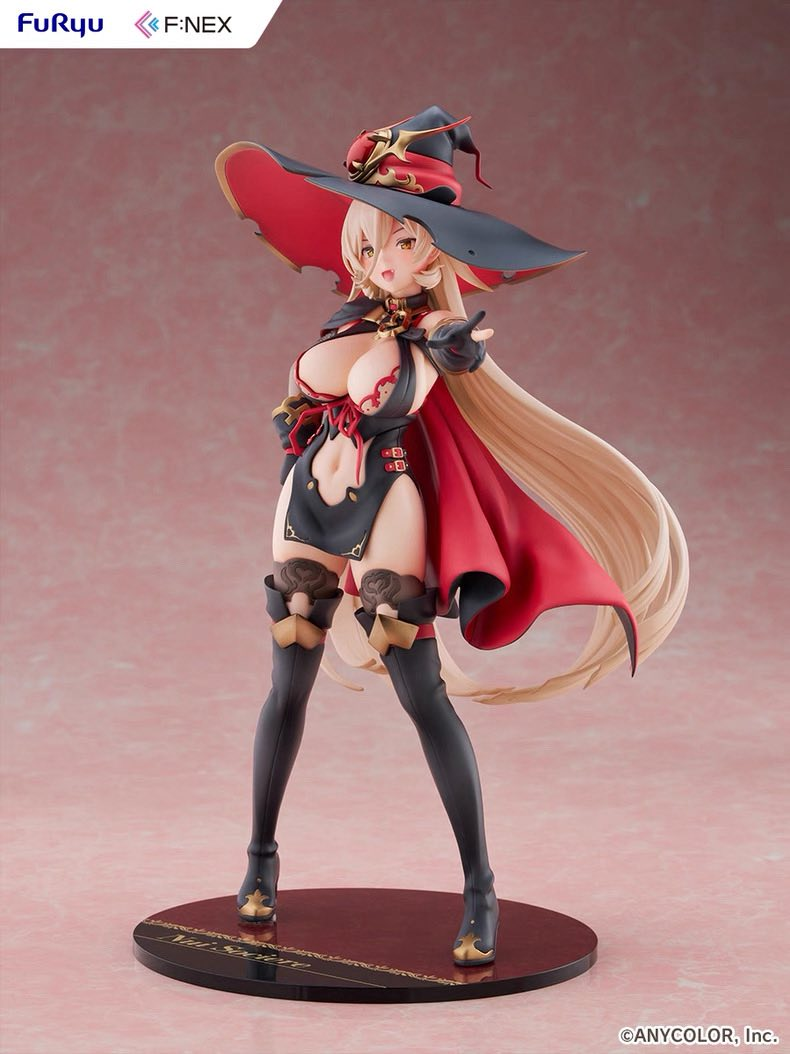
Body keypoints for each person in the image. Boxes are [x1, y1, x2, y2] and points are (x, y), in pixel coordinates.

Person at [215, 106, 688, 966]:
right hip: (307, 501)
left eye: (400, 241)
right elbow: (302, 409)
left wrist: (456, 347)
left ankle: (479, 890)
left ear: (433, 254)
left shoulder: (433, 333)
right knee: (287, 681)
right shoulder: (345, 325)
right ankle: (259, 861)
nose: (379, 258)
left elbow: (445, 358)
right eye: (368, 241)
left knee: (420, 692)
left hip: (389, 498)